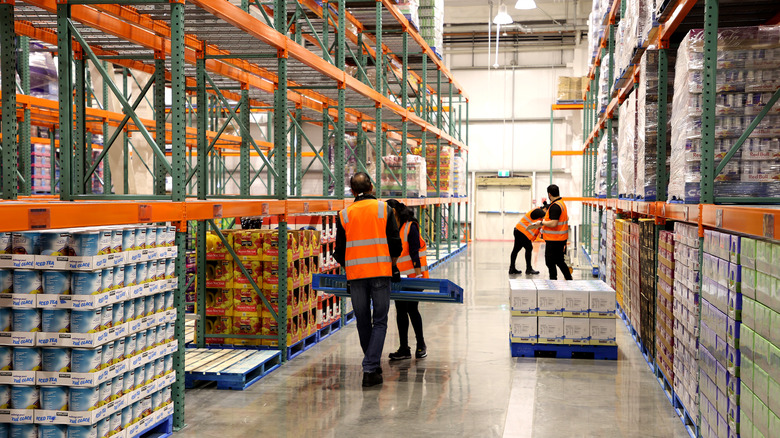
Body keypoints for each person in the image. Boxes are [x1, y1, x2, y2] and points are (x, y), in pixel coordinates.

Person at [333, 172, 402, 387]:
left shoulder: (344, 214)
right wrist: (394, 266)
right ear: (372, 187)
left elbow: (339, 250)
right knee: (380, 321)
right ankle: (370, 368)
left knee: (363, 321)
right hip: (381, 272)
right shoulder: (384, 209)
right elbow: (395, 244)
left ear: (352, 191)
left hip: (356, 276)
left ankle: (372, 366)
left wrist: (349, 267)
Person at [385, 200, 427, 361]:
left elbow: (415, 251)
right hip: (397, 276)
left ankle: (421, 344)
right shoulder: (390, 227)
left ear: (394, 211)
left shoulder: (410, 226)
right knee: (400, 310)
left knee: (412, 309)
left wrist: (418, 277)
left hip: (413, 277)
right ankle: (404, 348)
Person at [530, 184, 573, 280]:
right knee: (558, 261)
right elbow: (566, 218)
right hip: (559, 238)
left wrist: (541, 223)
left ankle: (554, 280)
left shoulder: (555, 206)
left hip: (555, 240)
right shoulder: (561, 203)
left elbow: (554, 223)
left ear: (549, 194)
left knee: (551, 261)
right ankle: (566, 279)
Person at [509, 203, 548, 275]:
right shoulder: (538, 211)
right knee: (529, 248)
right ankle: (528, 269)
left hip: (518, 230)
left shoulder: (538, 212)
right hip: (522, 232)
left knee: (516, 249)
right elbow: (546, 216)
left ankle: (512, 268)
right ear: (545, 209)